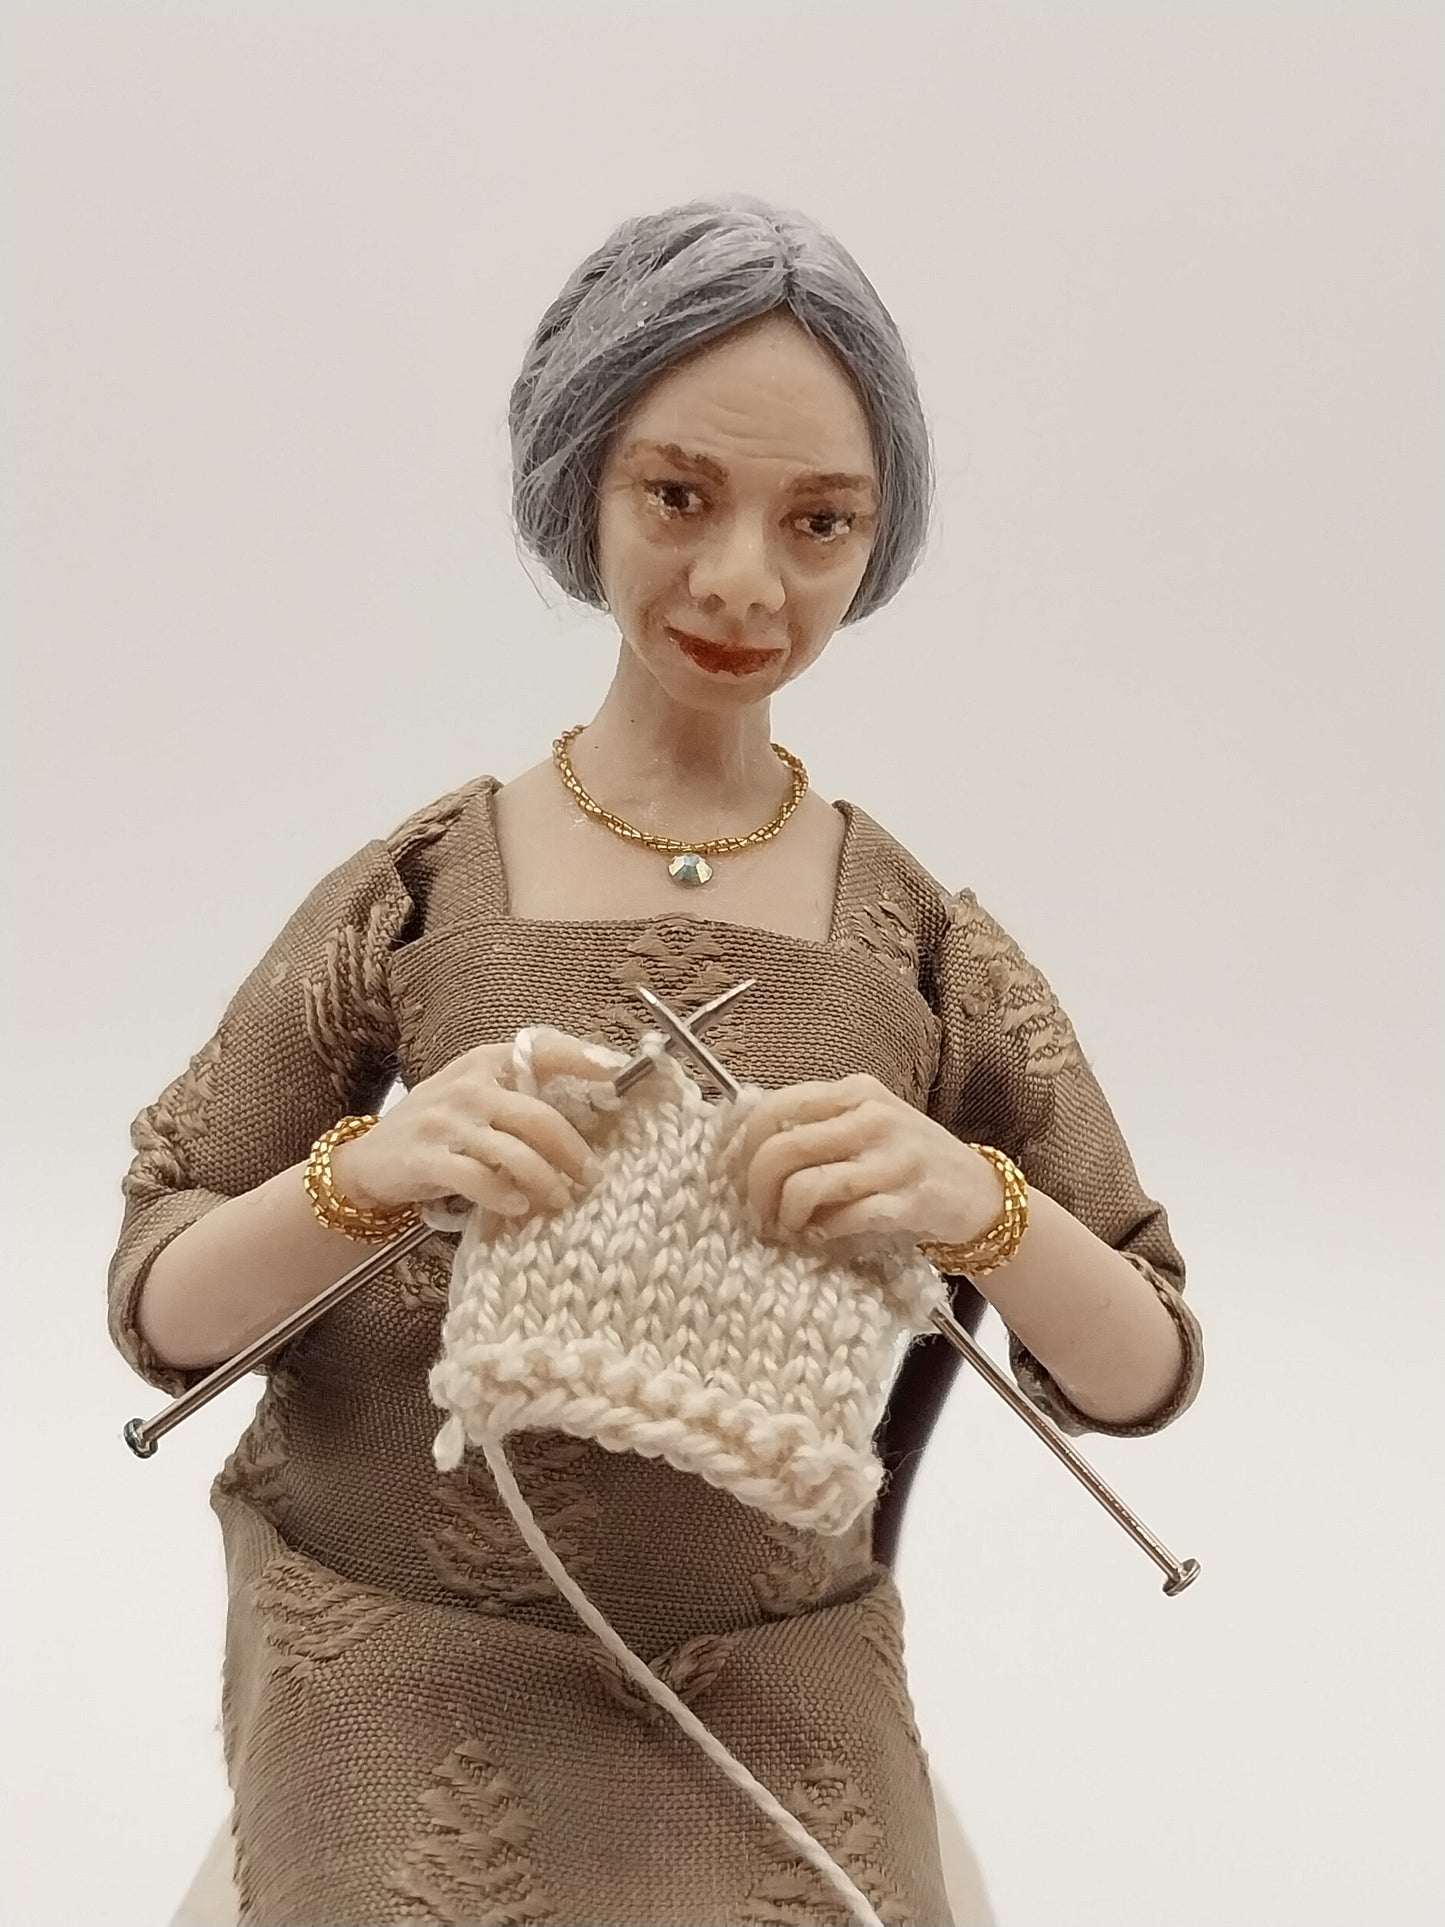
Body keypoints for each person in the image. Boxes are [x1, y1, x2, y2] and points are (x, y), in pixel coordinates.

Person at [109, 195, 1204, 1927]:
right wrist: (367, 1175)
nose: (744, 581)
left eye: (819, 521)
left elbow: (1138, 1367)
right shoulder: (427, 884)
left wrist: (972, 1207)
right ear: (581, 488)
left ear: (875, 539)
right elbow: (161, 1302)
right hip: (397, 1636)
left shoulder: (910, 933)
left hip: (771, 1664)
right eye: (677, 497)